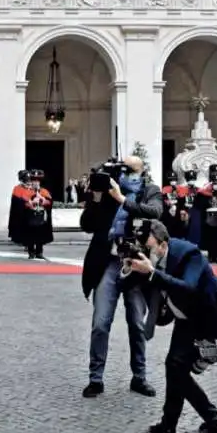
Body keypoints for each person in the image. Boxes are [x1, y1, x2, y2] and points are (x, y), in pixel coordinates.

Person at [129, 220, 217, 433]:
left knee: (177, 369)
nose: (148, 254)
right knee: (174, 367)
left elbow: (188, 287)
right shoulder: (156, 262)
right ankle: (174, 427)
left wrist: (152, 273)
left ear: (163, 244)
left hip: (208, 314)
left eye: (150, 248)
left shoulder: (189, 254)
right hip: (186, 316)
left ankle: (206, 423)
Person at [79, 156, 163, 398]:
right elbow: (87, 225)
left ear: (141, 170)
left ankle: (139, 377)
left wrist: (122, 199)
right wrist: (95, 198)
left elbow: (156, 212)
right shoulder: (106, 193)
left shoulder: (149, 191)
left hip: (136, 265)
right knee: (100, 323)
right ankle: (96, 378)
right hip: (108, 264)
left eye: (130, 169)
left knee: (137, 324)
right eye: (123, 170)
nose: (126, 174)